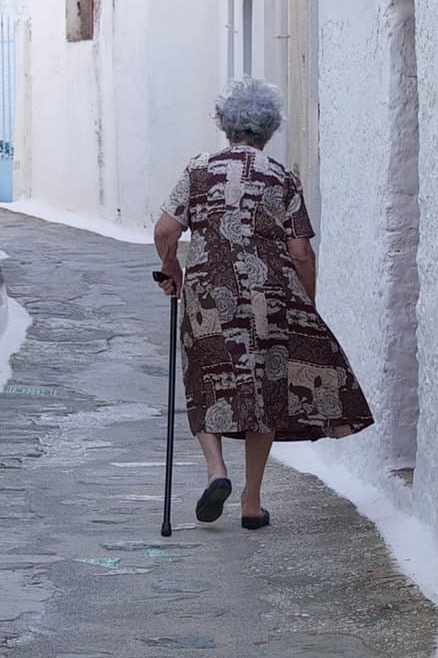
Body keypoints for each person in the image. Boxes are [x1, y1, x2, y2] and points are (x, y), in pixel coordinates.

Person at [153, 78, 373, 529]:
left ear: (225, 125)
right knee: (263, 389)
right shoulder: (281, 176)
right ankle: (251, 504)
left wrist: (171, 267)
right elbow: (301, 253)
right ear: (268, 129)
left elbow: (164, 230)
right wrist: (303, 305)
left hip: (207, 292)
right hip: (269, 298)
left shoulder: (198, 169)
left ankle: (217, 471)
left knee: (208, 379)